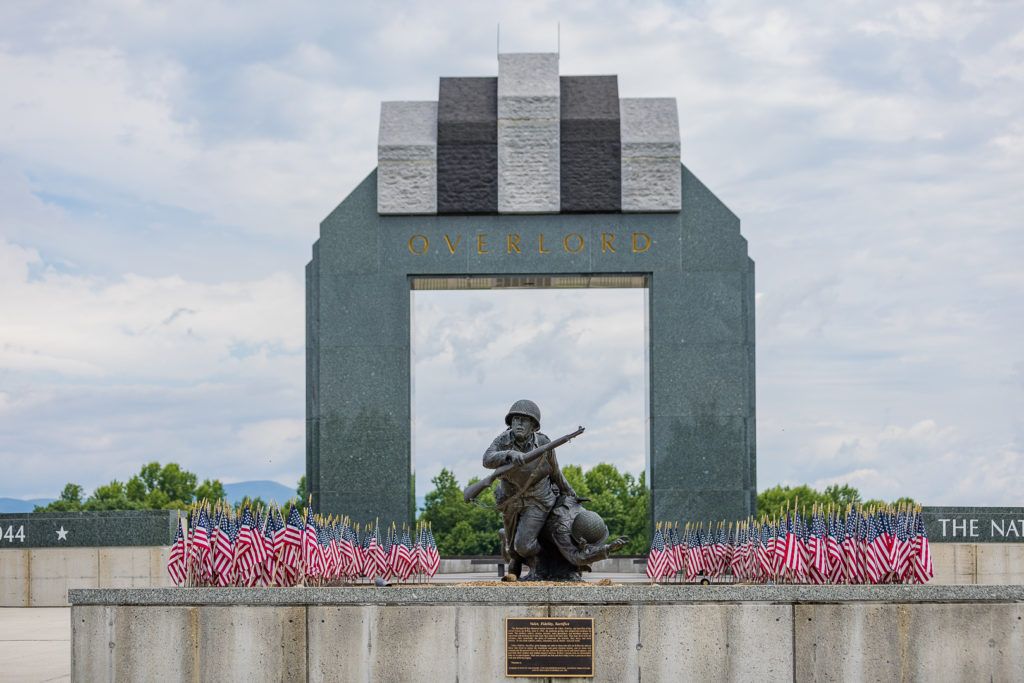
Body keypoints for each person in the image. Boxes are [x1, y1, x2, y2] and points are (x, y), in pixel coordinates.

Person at [483, 399, 575, 579]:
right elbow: (487, 459)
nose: (518, 423)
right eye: (515, 419)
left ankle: (543, 563)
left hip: (537, 500)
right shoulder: (503, 439)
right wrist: (508, 454)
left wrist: (569, 492)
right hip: (510, 500)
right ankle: (514, 557)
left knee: (523, 545)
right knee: (511, 548)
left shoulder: (543, 443)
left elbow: (555, 471)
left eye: (524, 420)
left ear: (534, 426)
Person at [542, 495, 629, 571]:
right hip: (543, 533)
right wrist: (608, 548)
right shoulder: (562, 531)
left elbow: (589, 548)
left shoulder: (583, 514)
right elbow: (576, 558)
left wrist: (608, 547)